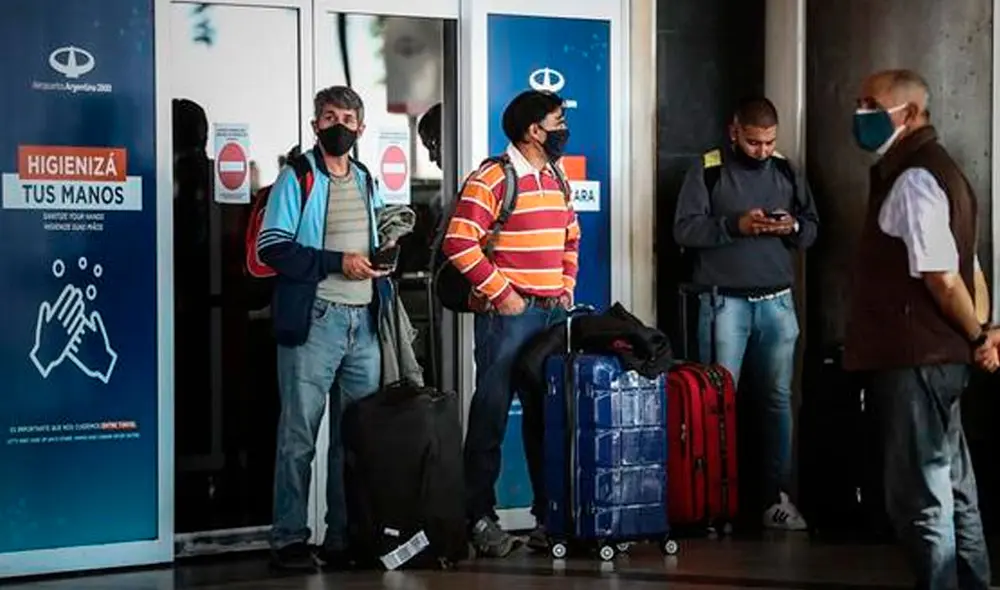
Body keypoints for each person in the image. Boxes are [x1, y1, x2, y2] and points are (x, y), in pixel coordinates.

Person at [844, 69, 993, 590]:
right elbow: (970, 266)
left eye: (871, 104)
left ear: (907, 114)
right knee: (956, 492)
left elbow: (943, 275)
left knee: (922, 501)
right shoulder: (944, 169)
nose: (859, 112)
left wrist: (978, 336)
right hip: (940, 358)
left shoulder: (913, 179)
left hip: (914, 361)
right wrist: (982, 329)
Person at [440, 90, 581, 557]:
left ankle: (549, 519)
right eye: (557, 121)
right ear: (533, 131)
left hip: (550, 315)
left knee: (547, 420)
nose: (563, 128)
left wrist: (566, 283)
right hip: (509, 319)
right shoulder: (493, 177)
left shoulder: (555, 174)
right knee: (491, 419)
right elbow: (459, 242)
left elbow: (571, 232)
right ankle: (478, 519)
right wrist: (504, 295)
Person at [673, 96, 819, 530]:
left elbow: (811, 228)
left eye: (769, 143)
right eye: (754, 142)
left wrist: (789, 227)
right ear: (734, 130)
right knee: (716, 403)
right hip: (723, 303)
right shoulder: (709, 169)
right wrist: (734, 225)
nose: (761, 151)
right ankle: (714, 501)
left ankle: (776, 497)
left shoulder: (787, 170)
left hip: (777, 301)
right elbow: (684, 228)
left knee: (777, 401)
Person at [258, 85, 388, 571]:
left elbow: (369, 240)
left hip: (365, 324)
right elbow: (272, 246)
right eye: (329, 117)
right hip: (317, 321)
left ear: (361, 127)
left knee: (354, 440)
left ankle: (344, 538)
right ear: (315, 125)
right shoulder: (297, 177)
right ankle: (289, 539)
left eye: (348, 118)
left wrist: (382, 256)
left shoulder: (366, 178)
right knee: (299, 436)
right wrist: (338, 262)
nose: (339, 125)